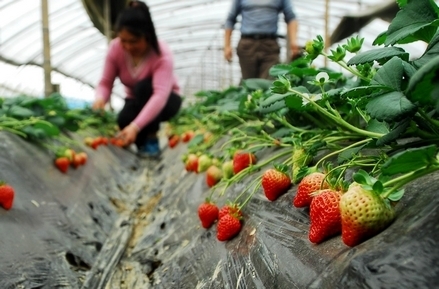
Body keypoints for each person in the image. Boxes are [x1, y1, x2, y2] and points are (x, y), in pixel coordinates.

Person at [92, 0, 182, 157]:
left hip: (168, 101)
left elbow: (159, 96)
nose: (127, 46)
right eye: (123, 40)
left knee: (143, 88)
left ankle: (152, 139)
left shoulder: (161, 54)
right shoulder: (115, 49)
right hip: (135, 99)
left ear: (146, 36)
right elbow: (105, 83)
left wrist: (136, 127)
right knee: (123, 120)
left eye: (133, 41)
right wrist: (100, 99)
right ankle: (141, 144)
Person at [224, 0, 300, 80]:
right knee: (249, 82)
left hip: (270, 45)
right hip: (247, 45)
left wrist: (293, 41)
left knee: (269, 81)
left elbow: (291, 18)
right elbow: (230, 19)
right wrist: (227, 46)